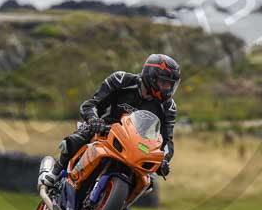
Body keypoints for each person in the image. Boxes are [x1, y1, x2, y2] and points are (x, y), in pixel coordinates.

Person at [41, 54, 180, 187]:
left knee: (148, 181)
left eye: (170, 84)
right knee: (77, 138)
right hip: (105, 129)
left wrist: (164, 160)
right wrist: (94, 120)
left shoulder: (168, 107)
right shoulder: (121, 80)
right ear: (151, 76)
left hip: (138, 145)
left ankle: (114, 202)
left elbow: (167, 140)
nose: (167, 88)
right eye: (164, 82)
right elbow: (91, 104)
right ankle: (56, 171)